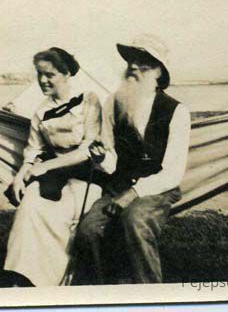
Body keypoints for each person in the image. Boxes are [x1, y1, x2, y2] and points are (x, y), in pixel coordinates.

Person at [72, 34, 191, 285]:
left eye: (143, 62)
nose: (133, 66)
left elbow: (172, 173)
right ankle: (104, 292)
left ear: (159, 71)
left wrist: (133, 194)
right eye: (130, 60)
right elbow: (111, 160)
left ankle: (151, 295)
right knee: (88, 230)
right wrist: (101, 157)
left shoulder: (177, 111)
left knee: (135, 220)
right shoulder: (114, 102)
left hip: (158, 189)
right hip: (118, 185)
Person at [3, 47, 105, 287]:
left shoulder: (88, 101)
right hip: (55, 176)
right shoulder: (41, 111)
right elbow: (32, 151)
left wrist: (47, 166)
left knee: (66, 216)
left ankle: (56, 279)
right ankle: (23, 275)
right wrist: (19, 177)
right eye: (39, 74)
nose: (42, 80)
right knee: (29, 207)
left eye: (50, 74)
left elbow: (88, 149)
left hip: (88, 174)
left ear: (66, 73)